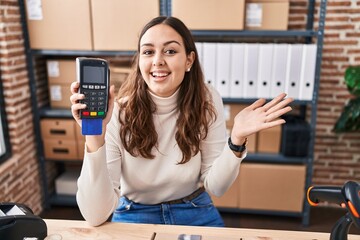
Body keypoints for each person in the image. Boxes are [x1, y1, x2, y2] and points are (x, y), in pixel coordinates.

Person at [70, 16, 293, 227]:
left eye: (170, 51)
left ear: (189, 60)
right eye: (148, 52)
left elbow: (216, 187)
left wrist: (236, 139)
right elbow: (95, 215)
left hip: (194, 207)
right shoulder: (117, 111)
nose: (158, 61)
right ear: (140, 61)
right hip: (135, 211)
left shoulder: (207, 99)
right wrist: (94, 135)